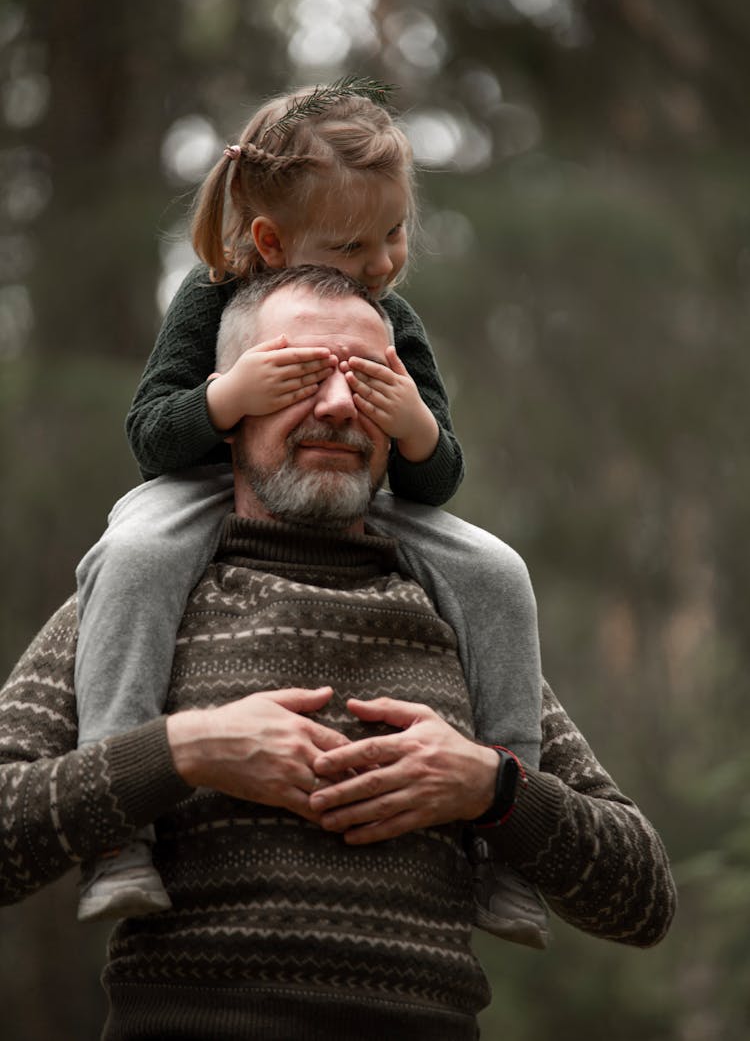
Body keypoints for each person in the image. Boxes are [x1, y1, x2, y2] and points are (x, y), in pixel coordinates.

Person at [0, 268, 676, 1040]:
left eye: (368, 382)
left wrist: (493, 787)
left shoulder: (462, 616)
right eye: (298, 377)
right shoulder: (138, 598)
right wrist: (184, 749)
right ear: (225, 408)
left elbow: (644, 897)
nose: (336, 407)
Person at [73, 78, 545, 942]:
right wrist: (228, 395)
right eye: (352, 244)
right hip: (209, 490)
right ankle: (117, 836)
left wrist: (412, 428)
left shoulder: (391, 319)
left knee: (496, 567)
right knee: (131, 553)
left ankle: (508, 851)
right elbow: (151, 438)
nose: (381, 262)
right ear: (269, 239)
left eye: (396, 232)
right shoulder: (210, 297)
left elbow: (436, 483)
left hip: (350, 494)